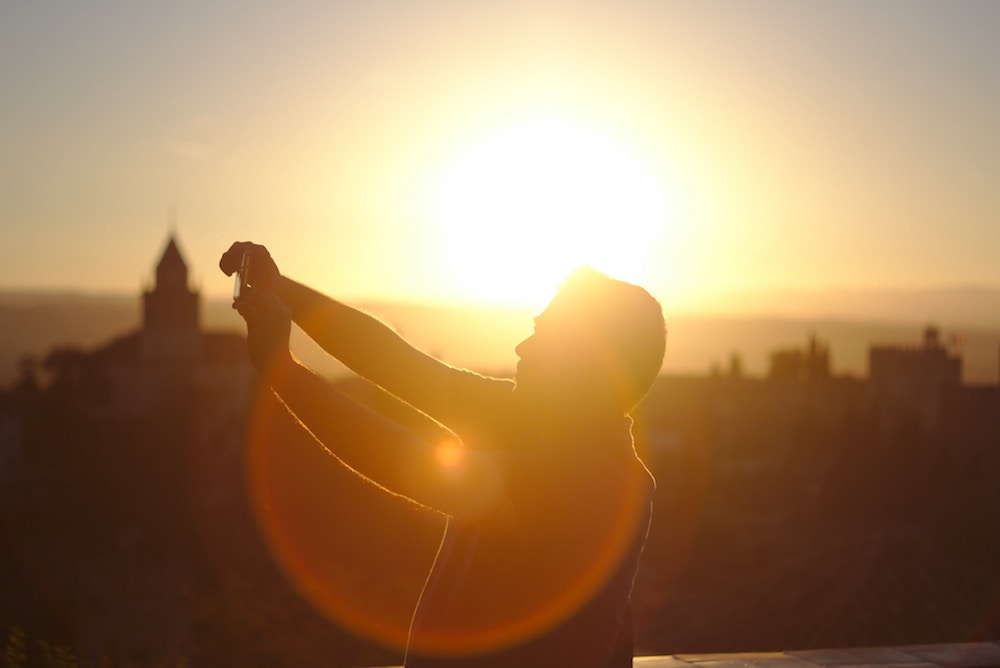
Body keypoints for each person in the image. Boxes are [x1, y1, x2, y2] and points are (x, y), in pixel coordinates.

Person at [219, 242, 666, 667]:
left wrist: (283, 372)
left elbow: (410, 468)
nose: (521, 347)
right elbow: (395, 361)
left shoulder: (601, 478)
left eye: (543, 335)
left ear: (586, 364)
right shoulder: (532, 419)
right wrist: (284, 291)